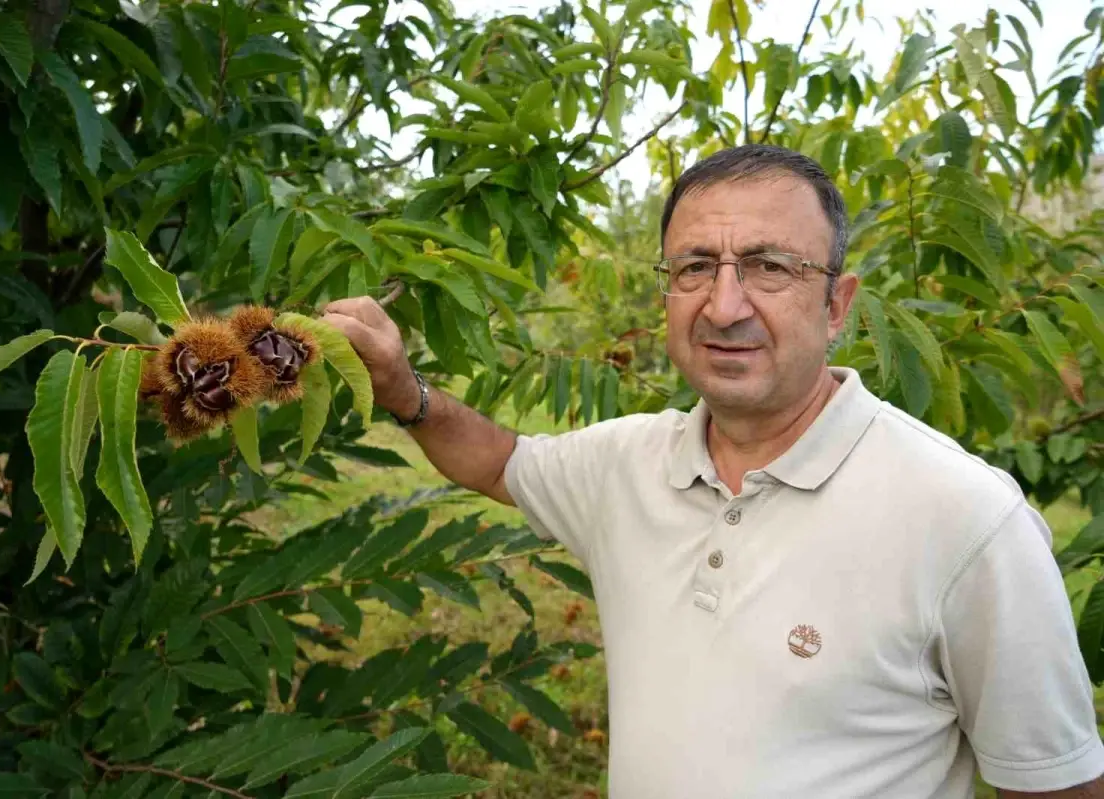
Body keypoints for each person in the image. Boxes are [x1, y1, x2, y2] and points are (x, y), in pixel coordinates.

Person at [321, 144, 1104, 798]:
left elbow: (1057, 784)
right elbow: (500, 459)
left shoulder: (965, 518)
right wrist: (404, 390)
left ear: (837, 306)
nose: (725, 305)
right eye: (695, 266)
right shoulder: (624, 464)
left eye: (769, 267)